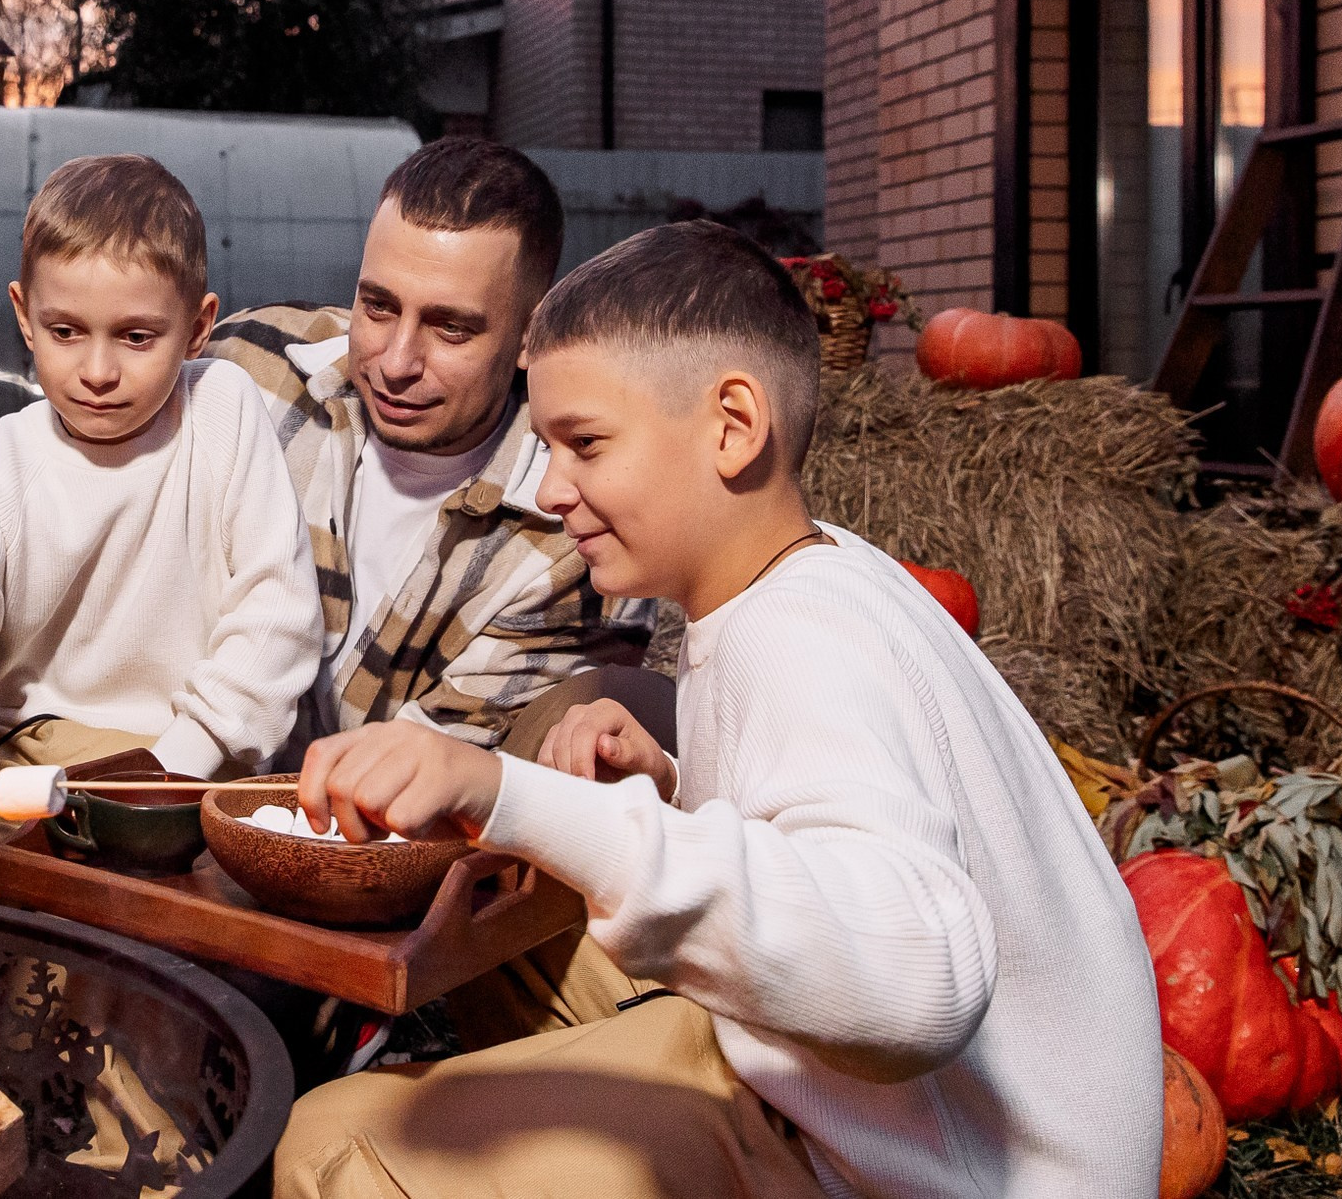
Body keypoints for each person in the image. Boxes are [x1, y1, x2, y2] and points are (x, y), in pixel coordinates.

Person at [274, 221, 1163, 1199]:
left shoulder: (798, 637)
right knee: (542, 905)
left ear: (732, 426)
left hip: (933, 1167)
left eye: (584, 444)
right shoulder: (818, 572)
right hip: (933, 1124)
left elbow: (921, 976)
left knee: (332, 1141)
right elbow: (828, 835)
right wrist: (672, 788)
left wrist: (501, 790)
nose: (550, 487)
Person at [0, 154, 327, 897]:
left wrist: (176, 765)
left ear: (198, 326)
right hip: (15, 751)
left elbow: (277, 616)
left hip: (187, 756)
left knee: (175, 929)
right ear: (24, 316)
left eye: (137, 336)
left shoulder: (226, 412)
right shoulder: (1, 465)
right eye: (66, 330)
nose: (97, 370)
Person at [205, 137, 659, 759]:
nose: (396, 363)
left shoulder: (579, 551)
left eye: (451, 328)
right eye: (379, 306)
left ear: (532, 335)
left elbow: (426, 793)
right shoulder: (245, 365)